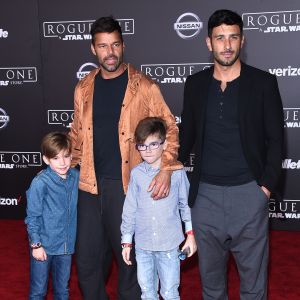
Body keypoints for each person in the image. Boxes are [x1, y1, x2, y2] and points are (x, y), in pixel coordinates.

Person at [69, 16, 182, 300]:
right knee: (86, 263)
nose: (110, 52)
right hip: (89, 186)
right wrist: (59, 170)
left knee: (129, 263)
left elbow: (169, 126)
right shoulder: (83, 88)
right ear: (93, 49)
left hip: (128, 187)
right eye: (103, 46)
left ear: (123, 45)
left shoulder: (144, 86)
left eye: (115, 45)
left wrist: (166, 168)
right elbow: (76, 135)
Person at [178, 9, 284, 300]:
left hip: (249, 195)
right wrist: (161, 166)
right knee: (211, 286)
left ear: (242, 41)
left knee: (253, 285)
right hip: (205, 200)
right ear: (208, 43)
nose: (227, 45)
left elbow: (276, 141)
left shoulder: (263, 83)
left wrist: (263, 189)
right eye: (220, 38)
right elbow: (185, 139)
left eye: (233, 37)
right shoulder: (195, 85)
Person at [121, 117, 197, 300]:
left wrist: (190, 234)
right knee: (147, 293)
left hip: (169, 246)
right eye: (142, 145)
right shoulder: (136, 174)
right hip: (143, 246)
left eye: (153, 144)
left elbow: (185, 206)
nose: (147, 150)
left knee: (170, 293)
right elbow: (130, 209)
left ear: (164, 144)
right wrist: (126, 241)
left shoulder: (177, 172)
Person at [25, 132, 79, 299]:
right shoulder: (40, 182)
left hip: (66, 246)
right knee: (38, 291)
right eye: (56, 158)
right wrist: (36, 244)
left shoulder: (76, 177)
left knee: (62, 290)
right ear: (46, 160)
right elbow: (32, 217)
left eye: (66, 156)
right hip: (44, 246)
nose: (62, 162)